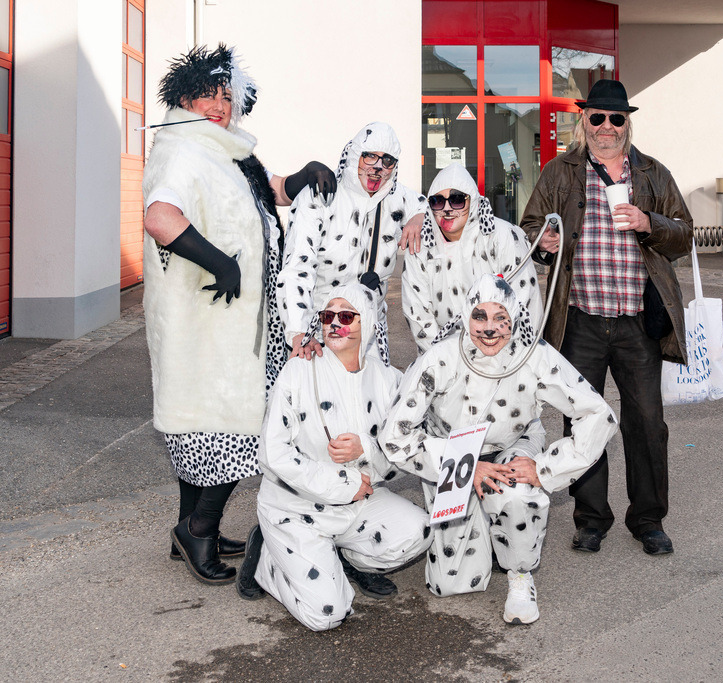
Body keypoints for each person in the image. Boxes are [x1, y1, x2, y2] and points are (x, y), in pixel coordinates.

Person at [142, 44, 337, 585]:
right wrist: (218, 262)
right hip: (207, 327)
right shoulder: (184, 149)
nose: (220, 105)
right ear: (184, 97)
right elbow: (161, 216)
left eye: (228, 96)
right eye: (209, 94)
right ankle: (199, 530)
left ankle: (188, 526)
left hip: (232, 327)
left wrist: (300, 177)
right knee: (234, 432)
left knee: (197, 433)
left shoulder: (224, 152)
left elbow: (266, 192)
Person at [379, 275, 618, 625]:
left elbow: (599, 413)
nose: (489, 329)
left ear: (515, 319)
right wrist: (462, 466)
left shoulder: (533, 355)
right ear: (465, 316)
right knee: (451, 584)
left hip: (513, 444)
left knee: (519, 495)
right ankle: (487, 529)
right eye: (479, 316)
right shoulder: (440, 358)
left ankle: (520, 575)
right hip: (455, 452)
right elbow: (393, 436)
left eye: (500, 318)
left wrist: (546, 469)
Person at [519, 79, 693, 556]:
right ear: (584, 121)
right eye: (598, 117)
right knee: (582, 423)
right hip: (580, 320)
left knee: (647, 424)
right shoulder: (561, 171)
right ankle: (591, 519)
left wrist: (648, 223)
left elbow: (684, 234)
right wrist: (544, 243)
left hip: (637, 319)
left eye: (616, 118)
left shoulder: (653, 173)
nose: (607, 127)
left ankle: (649, 520)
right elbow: (531, 226)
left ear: (627, 124)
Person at [235, 284, 431, 631]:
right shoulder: (299, 371)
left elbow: (407, 452)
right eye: (328, 316)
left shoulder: (388, 380)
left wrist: (366, 450)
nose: (335, 323)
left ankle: (348, 558)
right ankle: (267, 562)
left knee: (419, 530)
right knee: (327, 614)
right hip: (295, 509)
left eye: (346, 315)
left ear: (366, 322)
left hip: (359, 505)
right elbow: (271, 454)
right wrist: (343, 483)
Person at [279, 122, 427, 364]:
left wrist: (420, 216)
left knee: (372, 398)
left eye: (387, 160)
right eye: (370, 156)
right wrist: (298, 331)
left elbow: (435, 207)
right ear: (355, 155)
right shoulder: (320, 196)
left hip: (370, 334)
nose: (379, 167)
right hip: (317, 330)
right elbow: (297, 266)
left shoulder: (399, 198)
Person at [401, 162, 543, 354]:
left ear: (473, 201)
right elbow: (418, 315)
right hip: (445, 360)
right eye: (437, 201)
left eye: (457, 199)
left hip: (504, 357)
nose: (447, 209)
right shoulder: (420, 248)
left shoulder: (504, 237)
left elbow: (526, 304)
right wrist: (446, 362)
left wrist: (503, 361)